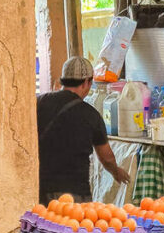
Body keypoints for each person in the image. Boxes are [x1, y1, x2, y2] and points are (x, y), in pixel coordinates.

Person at [36, 56, 129, 203]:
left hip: (40, 190)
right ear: (87, 82)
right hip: (75, 194)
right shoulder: (91, 115)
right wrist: (116, 171)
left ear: (62, 80)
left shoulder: (39, 102)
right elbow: (106, 157)